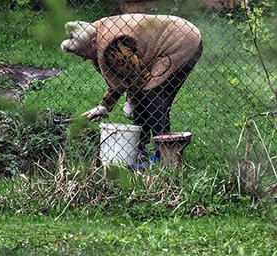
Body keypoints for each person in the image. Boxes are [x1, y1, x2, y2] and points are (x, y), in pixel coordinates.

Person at [61, 14, 202, 166]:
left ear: (93, 42)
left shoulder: (113, 46)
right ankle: (140, 149)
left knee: (153, 94)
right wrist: (104, 106)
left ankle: (164, 154)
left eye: (83, 53)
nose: (83, 58)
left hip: (180, 42)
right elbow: (126, 77)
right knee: (145, 94)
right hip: (173, 37)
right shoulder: (93, 32)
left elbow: (139, 77)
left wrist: (131, 100)